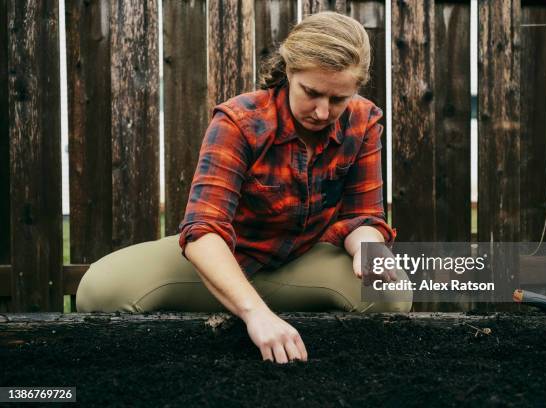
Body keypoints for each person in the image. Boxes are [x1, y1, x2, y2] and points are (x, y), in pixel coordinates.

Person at [76, 12, 412, 364]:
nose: (323, 111)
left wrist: (366, 249)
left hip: (302, 259)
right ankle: (246, 305)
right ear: (289, 72)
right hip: (228, 257)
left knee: (390, 290)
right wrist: (255, 313)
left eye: (339, 98)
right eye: (311, 93)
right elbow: (203, 230)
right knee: (100, 289)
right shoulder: (240, 121)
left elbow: (363, 216)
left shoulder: (364, 120)